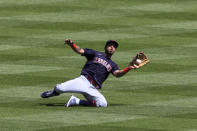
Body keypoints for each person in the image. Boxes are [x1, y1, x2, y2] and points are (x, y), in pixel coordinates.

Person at [41, 38, 136, 107]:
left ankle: (76, 101)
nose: (112, 48)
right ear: (105, 47)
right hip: (83, 81)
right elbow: (80, 50)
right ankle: (52, 93)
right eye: (110, 45)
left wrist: (129, 67)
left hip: (93, 88)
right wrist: (72, 44)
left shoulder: (112, 64)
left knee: (103, 104)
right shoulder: (95, 53)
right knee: (59, 88)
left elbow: (117, 74)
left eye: (114, 47)